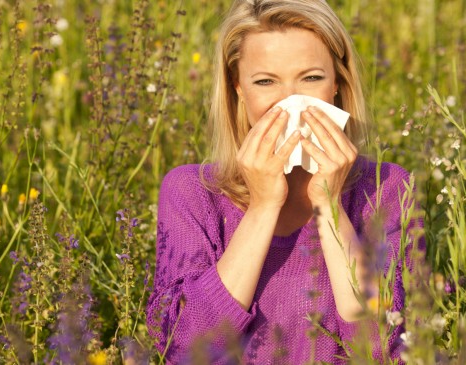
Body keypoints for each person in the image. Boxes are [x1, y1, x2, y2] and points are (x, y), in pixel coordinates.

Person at [146, 0, 424, 363]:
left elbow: (384, 347)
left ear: (337, 84)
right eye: (265, 81)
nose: (291, 100)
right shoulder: (192, 192)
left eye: (311, 78)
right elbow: (184, 347)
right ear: (239, 91)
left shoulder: (385, 188)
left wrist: (330, 206)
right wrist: (262, 207)